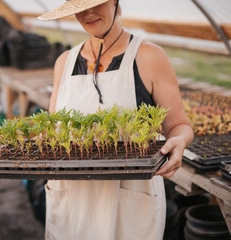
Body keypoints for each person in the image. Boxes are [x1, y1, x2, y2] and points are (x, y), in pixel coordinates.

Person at [38, 0, 194, 239]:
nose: (88, 13)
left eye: (95, 2)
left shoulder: (148, 56)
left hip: (128, 194)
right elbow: (53, 128)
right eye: (80, 6)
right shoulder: (65, 62)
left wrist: (179, 142)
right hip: (71, 194)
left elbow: (178, 125)